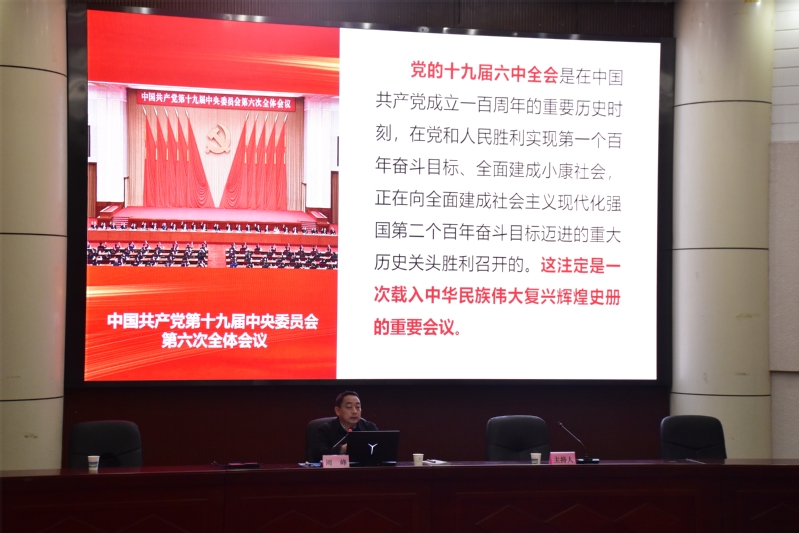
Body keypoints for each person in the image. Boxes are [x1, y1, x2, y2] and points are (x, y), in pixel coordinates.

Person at [309, 391, 377, 462]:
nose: (354, 411)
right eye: (349, 407)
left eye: (358, 407)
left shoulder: (369, 428)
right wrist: (342, 449)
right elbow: (317, 454)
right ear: (337, 410)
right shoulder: (325, 430)